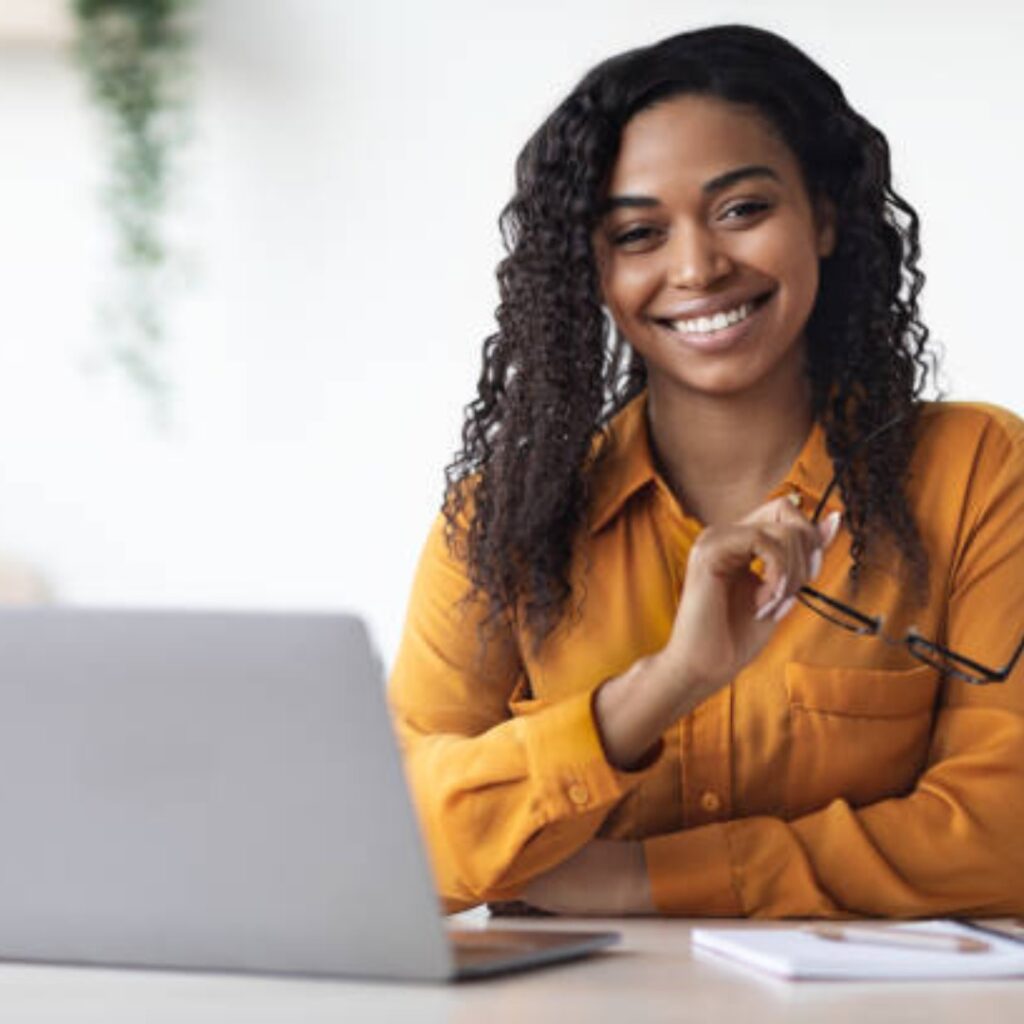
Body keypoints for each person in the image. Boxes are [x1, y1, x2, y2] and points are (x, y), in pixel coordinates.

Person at [388, 24, 1024, 918]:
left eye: (742, 210)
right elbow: (400, 838)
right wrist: (667, 683)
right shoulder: (504, 518)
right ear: (595, 273)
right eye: (640, 232)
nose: (698, 268)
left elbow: (1005, 833)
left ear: (826, 217)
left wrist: (638, 880)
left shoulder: (978, 475)